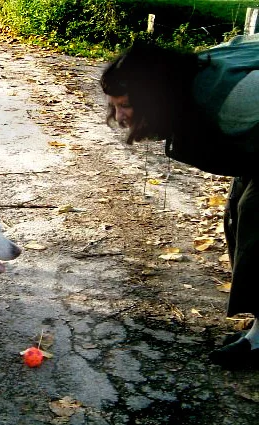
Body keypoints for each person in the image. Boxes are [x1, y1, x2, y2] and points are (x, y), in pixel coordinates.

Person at [100, 37, 259, 367]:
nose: (119, 117)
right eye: (114, 105)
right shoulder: (193, 76)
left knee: (256, 218)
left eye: (125, 105)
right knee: (236, 214)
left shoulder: (233, 100)